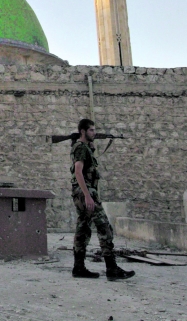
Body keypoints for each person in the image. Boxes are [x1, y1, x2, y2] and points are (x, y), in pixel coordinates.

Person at [70, 118, 134, 280]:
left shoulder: (83, 147)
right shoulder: (81, 148)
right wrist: (87, 195)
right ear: (83, 132)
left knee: (83, 228)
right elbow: (78, 172)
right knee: (104, 227)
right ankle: (111, 269)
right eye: (91, 130)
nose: (94, 132)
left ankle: (78, 267)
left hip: (81, 192)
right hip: (85, 192)